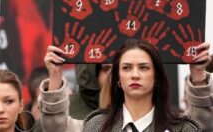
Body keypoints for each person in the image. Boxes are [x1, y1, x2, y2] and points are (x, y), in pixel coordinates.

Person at [40, 39, 210, 132]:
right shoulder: (96, 126)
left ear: (156, 76)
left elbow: (205, 125)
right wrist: (55, 74)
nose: (135, 74)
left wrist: (198, 75)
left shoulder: (180, 128)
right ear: (118, 78)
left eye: (144, 67)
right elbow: (56, 128)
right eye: (126, 68)